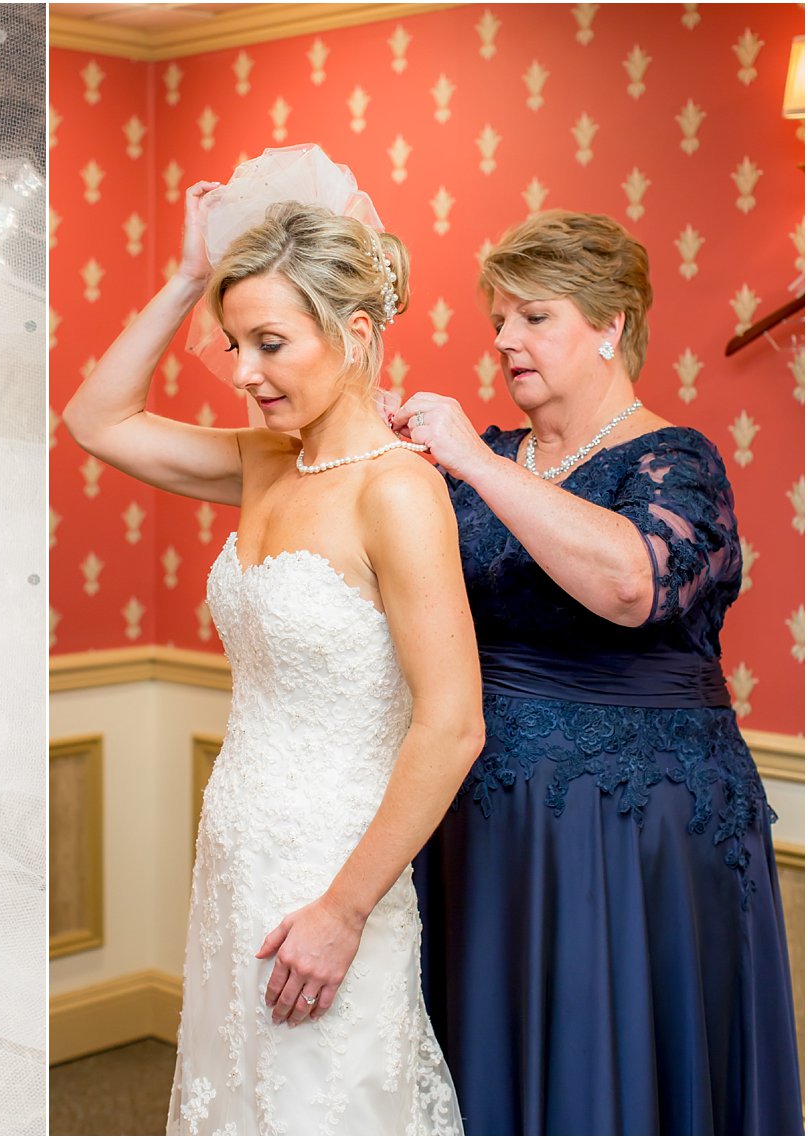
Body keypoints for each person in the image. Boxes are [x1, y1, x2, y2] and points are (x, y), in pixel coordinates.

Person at [64, 183, 483, 1135]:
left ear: (358, 331)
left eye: (272, 343)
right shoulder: (265, 460)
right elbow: (95, 420)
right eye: (234, 343)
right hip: (236, 848)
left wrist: (343, 909)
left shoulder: (400, 493)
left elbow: (453, 724)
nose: (243, 371)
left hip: (337, 866)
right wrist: (185, 280)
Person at [394, 210, 804, 1135]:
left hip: (633, 829)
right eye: (498, 320)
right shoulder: (489, 458)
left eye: (533, 317)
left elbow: (631, 583)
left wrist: (464, 458)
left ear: (611, 324)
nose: (504, 340)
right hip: (483, 822)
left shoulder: (675, 460)